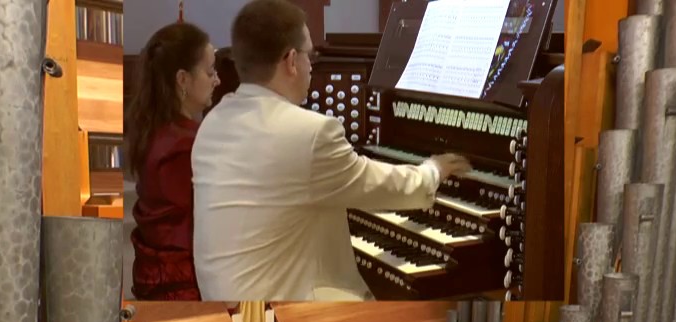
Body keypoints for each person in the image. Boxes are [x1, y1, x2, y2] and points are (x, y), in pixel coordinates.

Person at [190, 0, 471, 301]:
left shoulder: (211, 125)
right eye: (309, 55)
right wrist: (433, 170)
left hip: (223, 300)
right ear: (291, 61)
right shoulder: (309, 132)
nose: (312, 65)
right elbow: (381, 185)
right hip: (281, 315)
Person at [126, 22, 220, 300]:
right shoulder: (188, 144)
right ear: (183, 79)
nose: (217, 80)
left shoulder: (153, 128)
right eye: (210, 71)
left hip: (154, 275)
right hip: (181, 286)